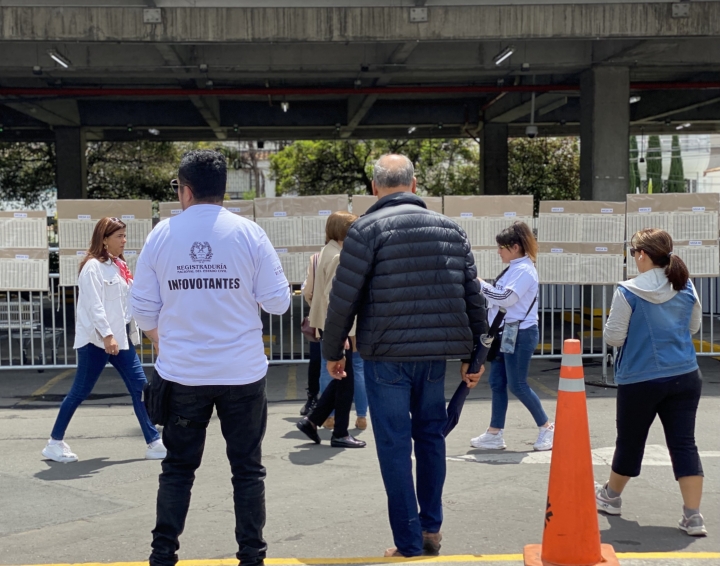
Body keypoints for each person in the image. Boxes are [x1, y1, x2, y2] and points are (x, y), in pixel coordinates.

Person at [322, 154, 488, 557]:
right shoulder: (451, 229)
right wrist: (476, 355)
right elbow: (473, 296)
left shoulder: (365, 230)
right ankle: (432, 528)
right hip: (434, 358)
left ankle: (408, 542)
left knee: (394, 446)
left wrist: (334, 350)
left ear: (375, 189)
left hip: (385, 355)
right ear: (414, 186)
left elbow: (344, 298)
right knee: (431, 438)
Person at [130, 150, 291, 566]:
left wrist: (168, 341)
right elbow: (277, 303)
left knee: (178, 470)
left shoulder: (161, 235)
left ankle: (163, 555)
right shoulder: (249, 234)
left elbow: (143, 311)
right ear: (223, 190)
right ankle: (252, 556)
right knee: (247, 470)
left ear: (184, 189)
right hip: (242, 373)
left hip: (183, 376)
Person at [597, 228, 705, 536]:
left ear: (642, 255)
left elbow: (614, 337)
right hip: (685, 374)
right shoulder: (685, 286)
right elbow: (694, 328)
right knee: (684, 443)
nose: (633, 258)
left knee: (630, 441)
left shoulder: (628, 291)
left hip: (641, 377)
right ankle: (693, 515)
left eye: (633, 253)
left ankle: (611, 496)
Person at [41, 217, 165, 464]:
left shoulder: (119, 266)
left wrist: (147, 332)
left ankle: (154, 441)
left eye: (124, 235)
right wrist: (107, 335)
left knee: (140, 387)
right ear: (104, 239)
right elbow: (95, 305)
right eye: (119, 236)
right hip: (96, 342)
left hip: (120, 341)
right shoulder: (92, 268)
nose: (124, 241)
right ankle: (54, 443)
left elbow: (127, 305)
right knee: (80, 392)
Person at [470, 222, 554, 452]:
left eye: (501, 248)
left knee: (517, 384)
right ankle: (494, 433)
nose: (498, 252)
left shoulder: (524, 270)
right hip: (507, 332)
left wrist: (479, 285)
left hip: (520, 332)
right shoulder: (516, 267)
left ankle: (547, 427)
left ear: (515, 247)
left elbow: (506, 298)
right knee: (498, 383)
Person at [296, 211, 366, 448]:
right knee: (345, 381)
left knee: (341, 379)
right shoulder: (338, 257)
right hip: (337, 327)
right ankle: (340, 432)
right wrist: (342, 332)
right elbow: (332, 298)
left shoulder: (328, 252)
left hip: (330, 327)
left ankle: (313, 420)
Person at [300, 252, 321, 417]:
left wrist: (314, 307)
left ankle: (313, 399)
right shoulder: (353, 255)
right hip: (346, 318)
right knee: (353, 364)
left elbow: (307, 290)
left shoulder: (316, 259)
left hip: (319, 318)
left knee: (317, 360)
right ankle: (361, 412)